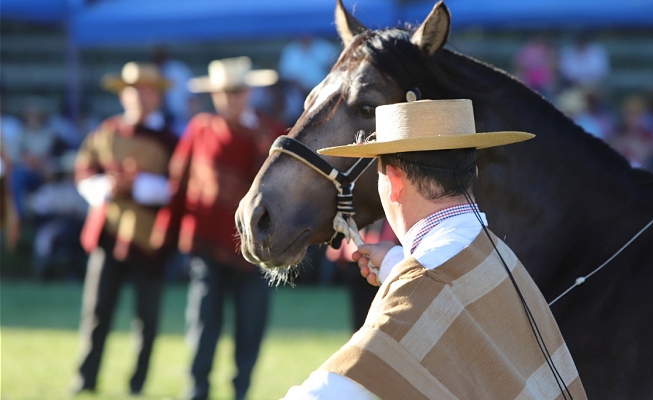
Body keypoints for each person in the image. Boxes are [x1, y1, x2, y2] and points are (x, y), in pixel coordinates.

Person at [284, 98, 587, 398]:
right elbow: (456, 290)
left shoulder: (420, 287)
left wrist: (407, 274)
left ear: (394, 181)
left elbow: (334, 391)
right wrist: (397, 262)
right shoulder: (494, 252)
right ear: (473, 173)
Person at [151, 56, 284, 400]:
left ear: (248, 92)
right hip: (206, 244)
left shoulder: (271, 133)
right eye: (223, 93)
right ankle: (197, 389)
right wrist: (165, 234)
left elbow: (284, 191)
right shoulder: (200, 128)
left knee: (250, 324)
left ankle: (241, 389)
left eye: (236, 92)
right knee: (203, 320)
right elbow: (179, 183)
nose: (230, 99)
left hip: (256, 249)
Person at [72, 62, 178, 396]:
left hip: (150, 240)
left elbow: (178, 186)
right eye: (134, 90)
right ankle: (85, 379)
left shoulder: (169, 139)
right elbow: (84, 172)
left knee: (146, 318)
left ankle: (138, 384)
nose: (140, 96)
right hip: (108, 234)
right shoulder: (107, 131)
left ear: (158, 96)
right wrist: (107, 185)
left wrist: (139, 185)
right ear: (124, 95)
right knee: (96, 312)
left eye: (147, 90)